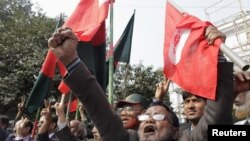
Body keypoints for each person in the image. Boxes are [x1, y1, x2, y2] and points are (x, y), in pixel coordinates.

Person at [48, 25, 231, 141]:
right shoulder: (127, 139)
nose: (149, 119)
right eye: (145, 116)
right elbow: (100, 109)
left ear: (176, 132)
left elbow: (215, 122)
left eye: (158, 117)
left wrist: (217, 57)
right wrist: (70, 60)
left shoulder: (190, 137)